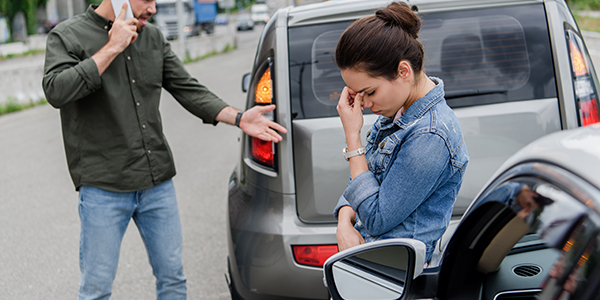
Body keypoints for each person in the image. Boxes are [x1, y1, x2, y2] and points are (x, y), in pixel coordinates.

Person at [41, 0, 287, 299]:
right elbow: (56, 91)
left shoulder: (153, 37)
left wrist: (238, 117)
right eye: (147, 0)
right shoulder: (67, 36)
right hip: (103, 187)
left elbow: (186, 87)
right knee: (96, 289)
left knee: (172, 279)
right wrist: (112, 47)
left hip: (156, 183)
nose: (154, 8)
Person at [333, 2, 469, 263]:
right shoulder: (399, 114)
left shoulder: (430, 135)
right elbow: (363, 180)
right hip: (373, 266)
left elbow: (375, 218)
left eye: (370, 92)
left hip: (395, 275)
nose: (365, 104)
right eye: (358, 95)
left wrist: (353, 137)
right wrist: (344, 223)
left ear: (403, 71)